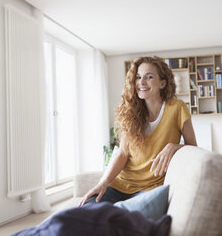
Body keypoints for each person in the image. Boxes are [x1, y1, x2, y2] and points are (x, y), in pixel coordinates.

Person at [79, 56, 197, 206]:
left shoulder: (177, 108)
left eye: (149, 77)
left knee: (135, 214)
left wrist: (173, 147)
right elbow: (122, 154)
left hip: (150, 188)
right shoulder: (130, 112)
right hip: (119, 185)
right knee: (88, 205)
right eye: (138, 77)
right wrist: (102, 183)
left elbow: (193, 147)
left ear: (162, 83)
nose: (141, 82)